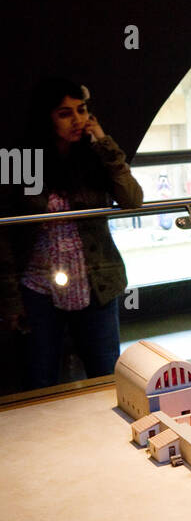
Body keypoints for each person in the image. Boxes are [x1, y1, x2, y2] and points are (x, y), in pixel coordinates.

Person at [0, 77, 143, 388]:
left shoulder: (94, 156)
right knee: (41, 379)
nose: (77, 120)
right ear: (46, 117)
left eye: (82, 110)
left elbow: (133, 200)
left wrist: (105, 142)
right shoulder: (23, 160)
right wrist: (11, 299)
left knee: (105, 377)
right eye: (65, 113)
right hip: (38, 288)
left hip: (96, 284)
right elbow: (6, 236)